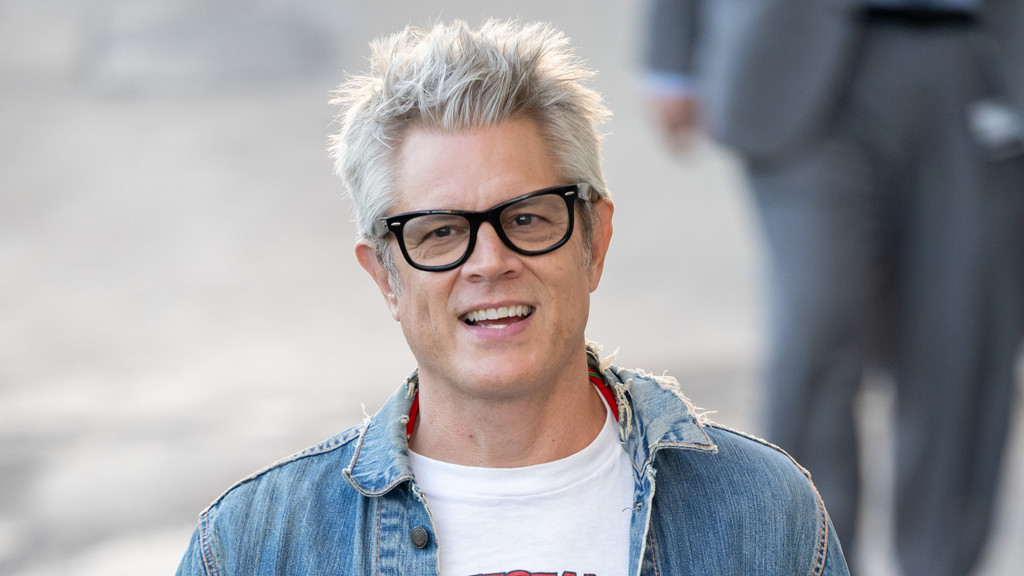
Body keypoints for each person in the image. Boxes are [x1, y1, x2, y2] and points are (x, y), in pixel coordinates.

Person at [176, 19, 849, 576]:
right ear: (385, 276)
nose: (489, 262)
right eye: (440, 233)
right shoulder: (254, 547)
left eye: (527, 219)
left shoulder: (765, 516)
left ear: (595, 239)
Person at [643, 2, 1024, 575]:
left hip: (979, 51)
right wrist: (670, 55)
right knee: (815, 331)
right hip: (789, 59)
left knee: (961, 343)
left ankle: (941, 564)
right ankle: (806, 559)